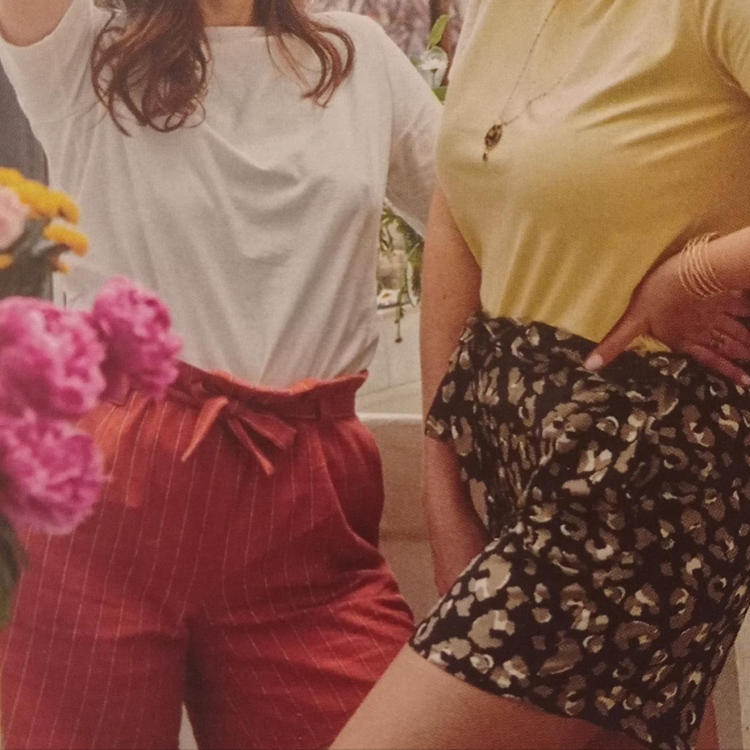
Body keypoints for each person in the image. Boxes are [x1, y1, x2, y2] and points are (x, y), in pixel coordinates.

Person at [0, 0, 439, 748]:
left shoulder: (359, 59)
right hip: (104, 510)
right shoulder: (80, 54)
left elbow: (484, 225)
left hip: (309, 516)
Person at [332, 1, 750, 749]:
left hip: (646, 468)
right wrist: (442, 474)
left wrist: (698, 275)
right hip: (520, 458)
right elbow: (458, 205)